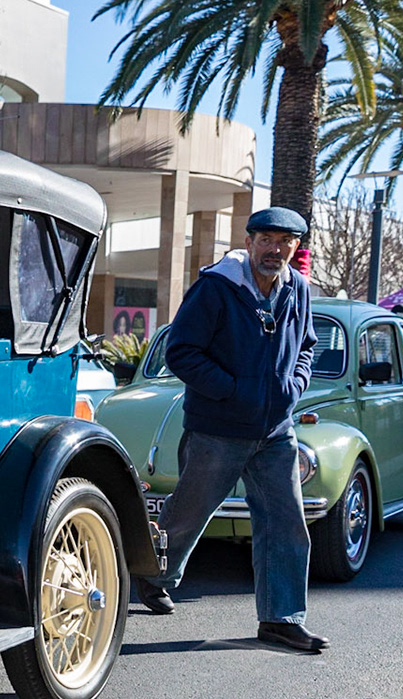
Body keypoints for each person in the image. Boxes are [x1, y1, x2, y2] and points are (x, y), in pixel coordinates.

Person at [134, 207, 328, 654]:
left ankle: (282, 619)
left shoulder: (297, 289)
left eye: (285, 242)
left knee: (286, 523)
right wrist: (234, 391)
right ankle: (153, 573)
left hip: (276, 432)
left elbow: (307, 348)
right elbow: (182, 352)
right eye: (266, 240)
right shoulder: (216, 288)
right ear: (249, 242)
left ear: (296, 248)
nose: (274, 249)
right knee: (190, 511)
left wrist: (293, 388)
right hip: (218, 429)